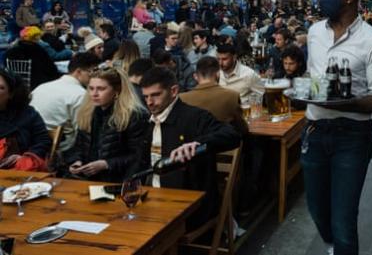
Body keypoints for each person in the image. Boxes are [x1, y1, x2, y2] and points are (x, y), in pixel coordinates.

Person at [304, 0, 372, 255]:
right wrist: (299, 90)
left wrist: (347, 102)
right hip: (315, 132)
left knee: (343, 218)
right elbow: (312, 78)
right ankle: (334, 246)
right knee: (317, 208)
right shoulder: (315, 32)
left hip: (351, 136)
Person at [139, 67, 241, 228]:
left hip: (188, 203)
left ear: (173, 91)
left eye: (156, 95)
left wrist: (199, 143)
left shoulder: (195, 116)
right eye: (146, 97)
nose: (150, 102)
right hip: (150, 198)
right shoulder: (147, 121)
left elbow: (232, 136)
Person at [64, 68, 148, 182]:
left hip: (117, 179)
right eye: (91, 88)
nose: (94, 94)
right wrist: (77, 161)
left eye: (101, 89)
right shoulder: (88, 112)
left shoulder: (134, 116)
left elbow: (139, 157)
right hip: (87, 177)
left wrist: (106, 164)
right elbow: (79, 146)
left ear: (116, 91)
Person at [30, 52, 101, 156]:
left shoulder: (41, 87)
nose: (95, 75)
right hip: (60, 151)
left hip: (31, 146)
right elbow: (83, 132)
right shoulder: (80, 95)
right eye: (92, 71)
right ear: (79, 72)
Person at [180, 57, 249, 137]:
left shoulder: (182, 98)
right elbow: (242, 128)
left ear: (195, 76)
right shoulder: (232, 96)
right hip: (224, 147)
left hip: (192, 147)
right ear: (218, 74)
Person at [0, 69, 51, 171]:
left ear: (11, 94)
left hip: (18, 171)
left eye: (1, 88)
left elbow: (43, 141)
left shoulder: (27, 114)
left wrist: (24, 158)